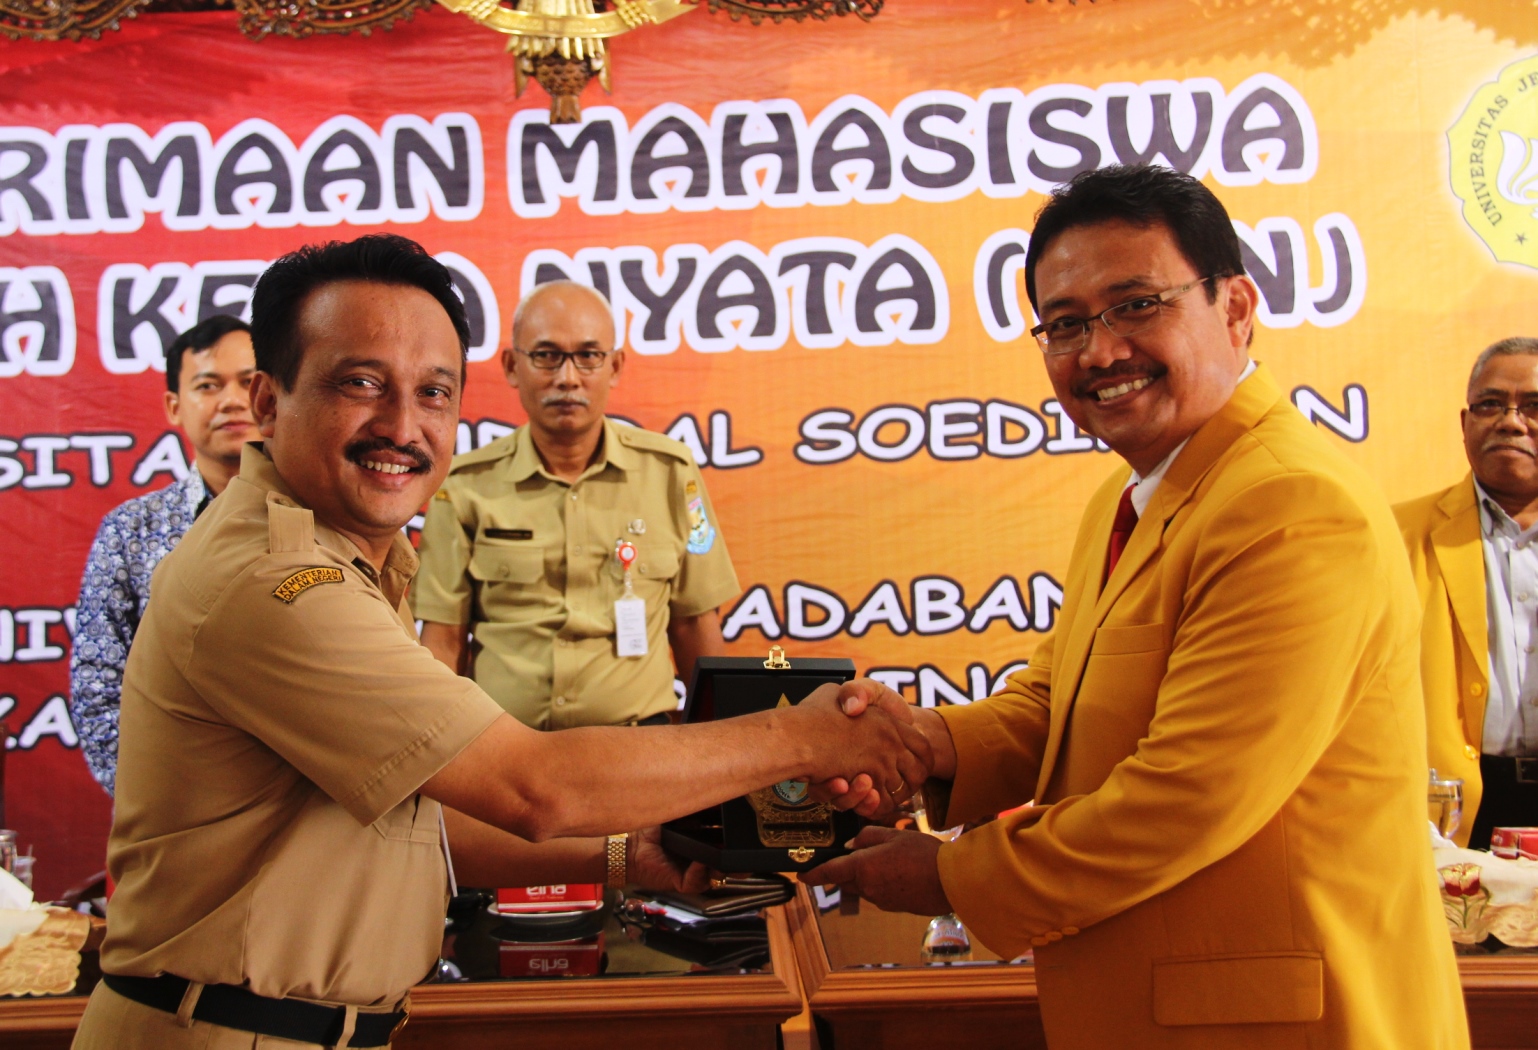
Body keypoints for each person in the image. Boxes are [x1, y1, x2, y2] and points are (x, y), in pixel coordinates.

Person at [72, 234, 928, 1050]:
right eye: (361, 382)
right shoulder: (278, 583)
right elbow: (533, 786)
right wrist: (806, 737)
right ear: (268, 401)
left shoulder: (353, 556)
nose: (402, 424)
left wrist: (635, 851)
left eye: (434, 392)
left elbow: (413, 818)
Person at [806, 165, 1468, 1048]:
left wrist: (949, 877)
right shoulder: (1133, 499)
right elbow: (1058, 707)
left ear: (1236, 308)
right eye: (1066, 324)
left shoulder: (1292, 506)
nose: (1100, 352)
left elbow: (1186, 798)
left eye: (1135, 306)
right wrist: (924, 746)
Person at [413, 281, 738, 728]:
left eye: (588, 356)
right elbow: (445, 639)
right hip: (507, 747)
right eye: (546, 355)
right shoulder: (465, 486)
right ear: (512, 366)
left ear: (615, 366)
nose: (568, 378)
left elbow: (694, 626)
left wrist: (722, 743)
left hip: (641, 744)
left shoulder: (669, 473)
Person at [70, 315, 259, 796]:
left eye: (248, 382)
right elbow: (97, 688)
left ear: (275, 396)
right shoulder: (129, 531)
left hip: (310, 813)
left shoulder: (328, 517)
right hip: (171, 809)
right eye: (209, 385)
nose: (232, 400)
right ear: (175, 406)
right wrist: (156, 801)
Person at [1396, 337, 1538, 849]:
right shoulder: (1394, 535)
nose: (1510, 422)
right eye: (1490, 404)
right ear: (1464, 424)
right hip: (1449, 813)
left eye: (1533, 406)